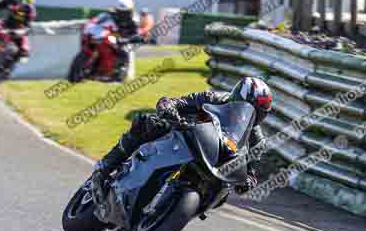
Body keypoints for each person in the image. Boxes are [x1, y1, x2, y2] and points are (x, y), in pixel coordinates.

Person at [90, 77, 273, 199]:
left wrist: (248, 180)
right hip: (184, 136)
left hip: (213, 161)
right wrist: (169, 108)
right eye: (245, 107)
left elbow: (252, 168)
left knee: (223, 192)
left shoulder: (256, 138)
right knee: (149, 123)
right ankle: (106, 166)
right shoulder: (213, 98)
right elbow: (178, 102)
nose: (246, 115)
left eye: (256, 113)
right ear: (235, 98)